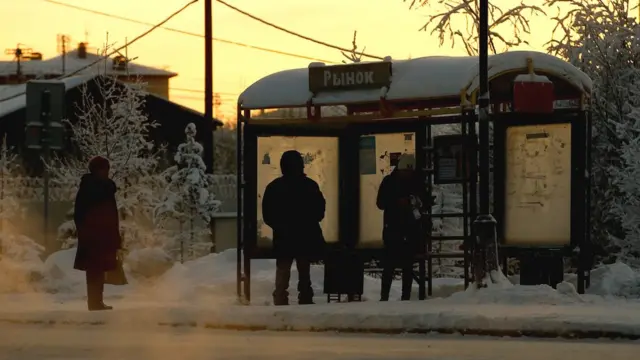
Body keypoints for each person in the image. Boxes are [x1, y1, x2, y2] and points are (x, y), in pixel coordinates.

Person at [262, 150, 326, 306]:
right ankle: (305, 297)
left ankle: (280, 297)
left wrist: (280, 226)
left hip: (283, 237)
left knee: (283, 269)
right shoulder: (310, 186)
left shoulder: (274, 187)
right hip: (305, 236)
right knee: (304, 269)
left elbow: (268, 213)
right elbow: (319, 210)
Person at [73, 156, 121, 311]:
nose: (107, 172)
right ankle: (94, 302)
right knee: (95, 269)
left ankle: (96, 301)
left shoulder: (103, 187)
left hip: (102, 235)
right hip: (95, 237)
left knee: (98, 269)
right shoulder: (91, 188)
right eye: (105, 168)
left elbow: (112, 215)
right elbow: (80, 214)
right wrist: (88, 232)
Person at [376, 153, 426, 301]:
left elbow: (424, 200)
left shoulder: (391, 182)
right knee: (395, 264)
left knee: (404, 265)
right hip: (400, 228)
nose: (407, 174)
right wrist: (398, 202)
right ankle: (388, 296)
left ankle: (399, 297)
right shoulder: (411, 182)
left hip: (400, 228)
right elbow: (380, 203)